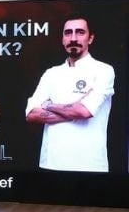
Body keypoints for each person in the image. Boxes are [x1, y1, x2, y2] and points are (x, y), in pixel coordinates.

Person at [25, 14, 114, 172]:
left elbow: (84, 111)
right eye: (68, 33)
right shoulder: (51, 73)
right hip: (51, 164)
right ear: (63, 39)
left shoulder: (104, 70)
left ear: (90, 38)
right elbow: (31, 114)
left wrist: (49, 105)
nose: (73, 38)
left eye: (80, 32)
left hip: (90, 166)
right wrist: (75, 108)